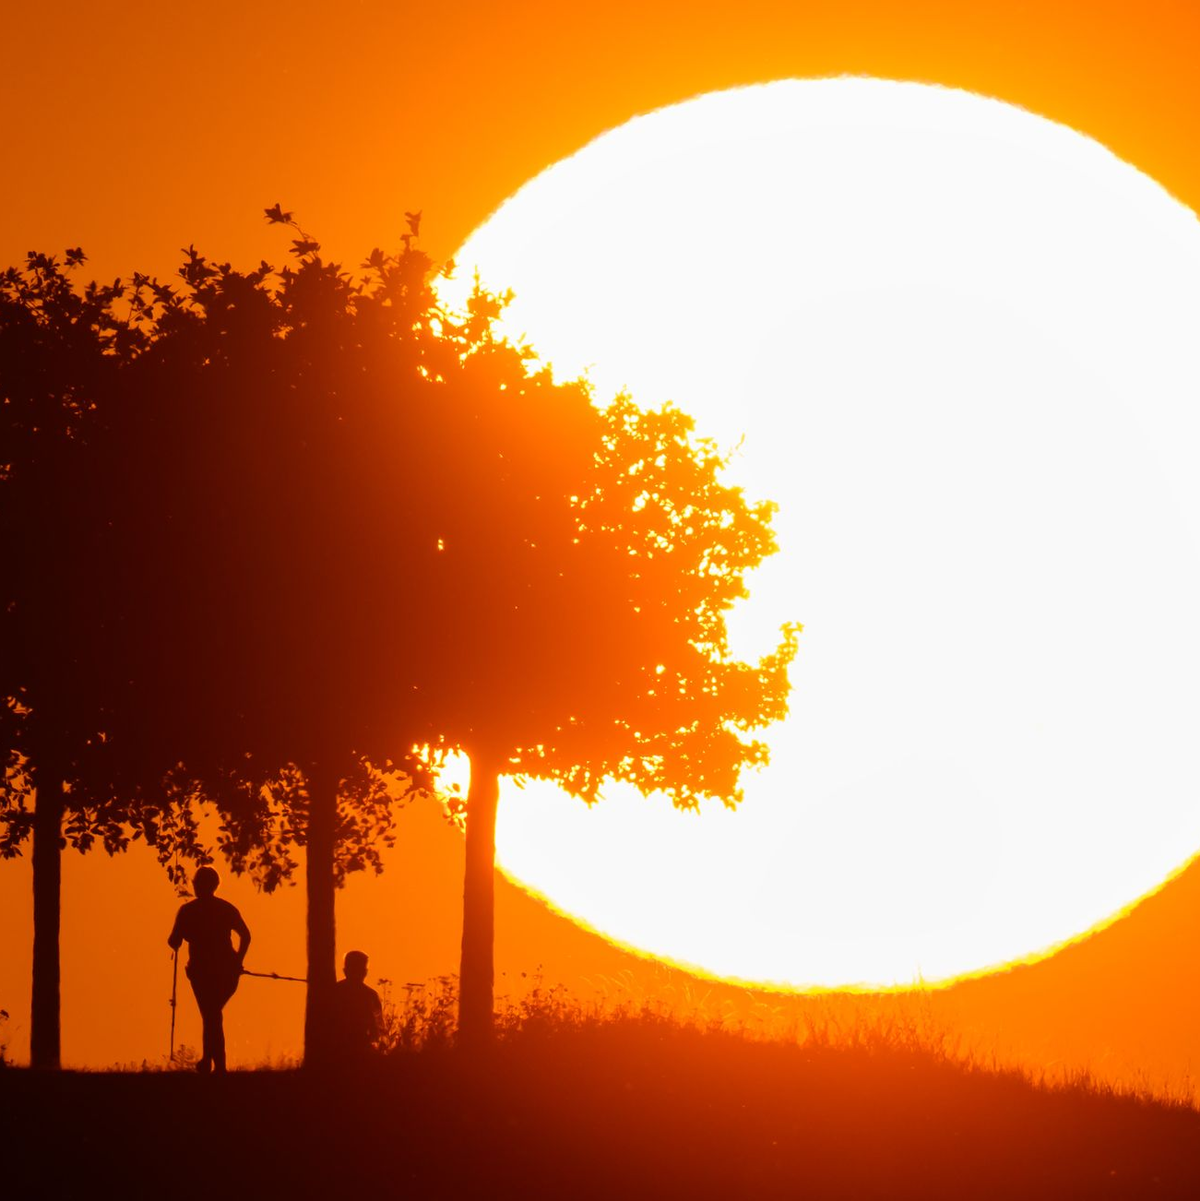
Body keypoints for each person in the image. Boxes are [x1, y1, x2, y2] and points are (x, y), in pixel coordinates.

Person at [167, 866, 250, 1073]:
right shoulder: (226, 908)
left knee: (211, 1013)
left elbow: (173, 940)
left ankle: (216, 1064)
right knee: (212, 1014)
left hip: (203, 972)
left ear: (200, 885)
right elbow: (246, 936)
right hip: (226, 971)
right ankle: (212, 1063)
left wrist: (180, 938)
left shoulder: (188, 911)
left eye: (196, 883)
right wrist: (237, 960)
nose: (195, 886)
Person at [331, 949, 383, 1064]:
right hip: (346, 1049)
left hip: (356, 1048)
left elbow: (377, 1028)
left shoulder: (334, 991)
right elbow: (378, 1029)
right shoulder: (370, 995)